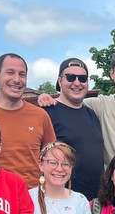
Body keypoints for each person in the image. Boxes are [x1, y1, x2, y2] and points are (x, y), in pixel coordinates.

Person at [0, 53, 57, 188]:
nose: (17, 79)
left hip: (32, 194)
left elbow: (52, 160)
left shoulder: (40, 116)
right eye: (10, 73)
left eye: (22, 74)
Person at [42, 57, 104, 200]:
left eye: (82, 78)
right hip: (61, 200)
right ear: (59, 81)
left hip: (95, 201)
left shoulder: (91, 113)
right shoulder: (47, 112)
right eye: (70, 77)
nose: (77, 83)